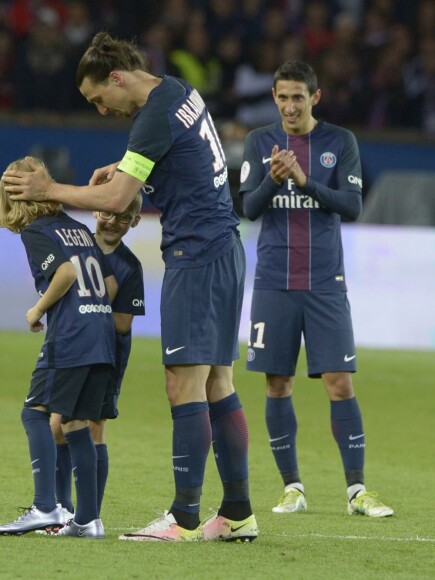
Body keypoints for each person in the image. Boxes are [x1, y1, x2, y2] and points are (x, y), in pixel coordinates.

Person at [2, 31, 257, 543]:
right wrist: (124, 167)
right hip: (225, 247)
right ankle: (236, 514)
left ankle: (184, 519)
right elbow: (159, 161)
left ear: (117, 77)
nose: (100, 110)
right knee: (218, 383)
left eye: (99, 98)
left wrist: (49, 189)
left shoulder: (152, 116)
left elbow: (118, 199)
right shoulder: (179, 92)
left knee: (183, 383)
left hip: (196, 254)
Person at [238, 60, 393, 517]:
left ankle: (357, 491)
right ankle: (293, 488)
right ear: (273, 97)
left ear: (315, 98)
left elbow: (353, 206)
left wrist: (304, 181)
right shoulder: (259, 142)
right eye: (282, 97)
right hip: (273, 281)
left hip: (325, 282)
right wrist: (275, 178)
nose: (289, 106)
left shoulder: (339, 142)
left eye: (298, 98)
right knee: (277, 383)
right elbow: (248, 207)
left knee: (340, 383)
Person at [0, 157, 116, 538]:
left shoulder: (37, 230)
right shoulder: (76, 227)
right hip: (101, 334)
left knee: (34, 414)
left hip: (71, 338)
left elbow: (65, 273)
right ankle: (87, 519)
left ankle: (45, 507)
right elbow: (107, 280)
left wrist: (37, 310)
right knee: (76, 424)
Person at [50, 195, 145, 521]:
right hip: (70, 346)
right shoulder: (75, 245)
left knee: (94, 427)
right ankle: (62, 506)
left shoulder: (130, 265)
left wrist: (88, 305)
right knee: (57, 425)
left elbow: (123, 322)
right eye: (107, 212)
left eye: (122, 217)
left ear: (134, 221)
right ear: (95, 210)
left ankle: (89, 513)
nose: (112, 220)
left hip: (106, 353)